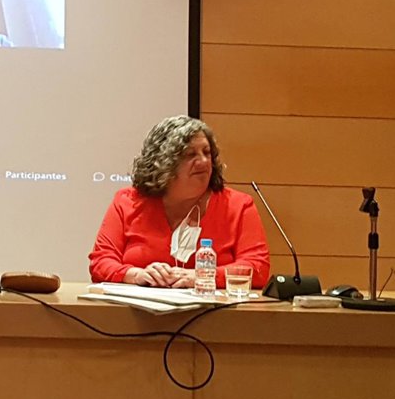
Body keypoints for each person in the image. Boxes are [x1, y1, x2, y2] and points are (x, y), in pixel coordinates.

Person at [88, 116, 270, 288]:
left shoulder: (239, 205)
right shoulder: (127, 201)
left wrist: (202, 276)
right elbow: (100, 262)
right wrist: (136, 275)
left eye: (207, 152)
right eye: (190, 154)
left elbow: (258, 268)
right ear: (163, 163)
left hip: (214, 310)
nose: (203, 161)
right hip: (138, 309)